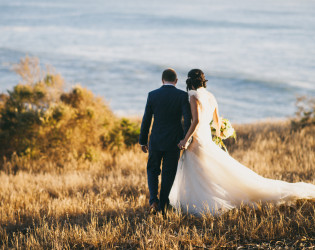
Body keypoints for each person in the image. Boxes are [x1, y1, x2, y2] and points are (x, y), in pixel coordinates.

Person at [169, 69, 315, 215]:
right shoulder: (211, 96)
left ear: (189, 81)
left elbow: (196, 121)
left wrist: (185, 139)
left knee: (199, 171)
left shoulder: (193, 96)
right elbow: (217, 123)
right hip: (206, 136)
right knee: (207, 170)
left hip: (197, 138)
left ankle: (203, 203)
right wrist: (222, 131)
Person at [139, 68, 191, 214]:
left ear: (162, 80)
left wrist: (143, 140)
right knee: (169, 173)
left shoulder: (152, 95)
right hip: (174, 141)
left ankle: (153, 200)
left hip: (156, 139)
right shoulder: (182, 96)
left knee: (152, 170)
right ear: (176, 81)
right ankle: (163, 204)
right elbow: (187, 120)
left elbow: (146, 120)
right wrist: (185, 139)